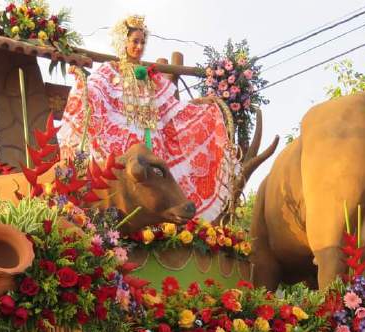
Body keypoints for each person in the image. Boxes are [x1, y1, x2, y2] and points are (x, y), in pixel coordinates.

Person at [57, 14, 235, 220]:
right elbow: (93, 92)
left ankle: (159, 228)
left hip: (152, 142)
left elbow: (172, 108)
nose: (139, 46)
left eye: (142, 42)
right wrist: (80, 80)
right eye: (135, 41)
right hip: (124, 144)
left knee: (157, 184)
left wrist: (199, 105)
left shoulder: (152, 77)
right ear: (123, 41)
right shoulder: (110, 70)